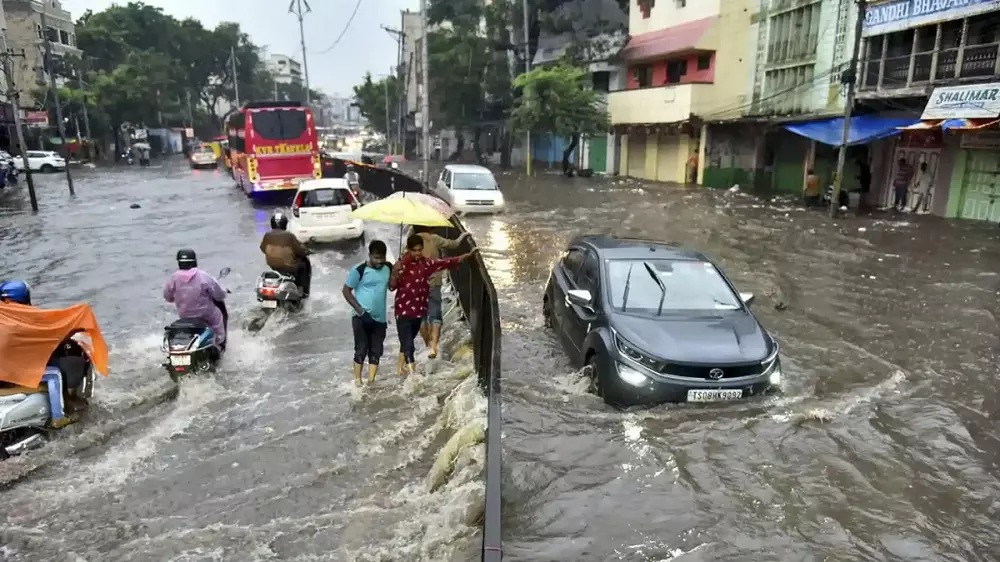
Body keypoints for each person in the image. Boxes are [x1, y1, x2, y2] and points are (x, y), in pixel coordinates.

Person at [390, 234, 478, 377]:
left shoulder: (427, 264)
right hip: (403, 311)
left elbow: (446, 262)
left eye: (420, 250)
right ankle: (413, 377)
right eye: (414, 250)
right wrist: (395, 272)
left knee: (407, 342)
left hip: (418, 312)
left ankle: (399, 370)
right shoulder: (401, 266)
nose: (417, 253)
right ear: (409, 249)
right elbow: (391, 287)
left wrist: (467, 256)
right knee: (408, 345)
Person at [0, 280, 90, 412]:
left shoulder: (5, 317)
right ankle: (59, 417)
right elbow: (52, 334)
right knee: (55, 375)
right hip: (11, 373)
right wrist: (76, 322)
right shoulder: (26, 319)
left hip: (7, 371)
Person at [410, 226, 471, 358]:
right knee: (435, 315)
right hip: (434, 283)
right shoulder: (434, 239)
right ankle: (433, 347)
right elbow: (453, 244)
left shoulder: (411, 241)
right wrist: (463, 236)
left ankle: (427, 344)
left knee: (421, 317)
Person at [342, 240, 393, 386]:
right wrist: (361, 312)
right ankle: (357, 382)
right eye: (376, 258)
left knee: (376, 351)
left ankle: (371, 383)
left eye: (382, 258)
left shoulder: (387, 268)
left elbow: (392, 287)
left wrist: (397, 272)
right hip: (361, 317)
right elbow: (346, 291)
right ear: (370, 255)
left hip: (380, 319)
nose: (379, 261)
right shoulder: (359, 270)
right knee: (361, 349)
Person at [163, 249, 228, 350]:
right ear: (194, 261)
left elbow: (168, 297)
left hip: (185, 314)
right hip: (206, 315)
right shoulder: (202, 276)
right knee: (219, 316)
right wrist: (224, 291)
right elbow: (219, 295)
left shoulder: (173, 278)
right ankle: (219, 343)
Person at [260, 211, 312, 297]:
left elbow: (262, 248)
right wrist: (307, 251)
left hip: (273, 266)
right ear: (284, 224)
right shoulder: (289, 236)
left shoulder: (267, 235)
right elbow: (300, 251)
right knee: (303, 265)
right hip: (289, 267)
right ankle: (303, 292)